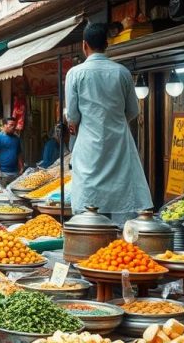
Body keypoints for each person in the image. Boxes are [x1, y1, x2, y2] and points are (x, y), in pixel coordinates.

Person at [65, 22, 152, 224]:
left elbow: (73, 116)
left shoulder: (75, 74)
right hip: (119, 145)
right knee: (121, 199)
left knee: (89, 208)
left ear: (84, 45)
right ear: (107, 44)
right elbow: (133, 110)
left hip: (88, 147)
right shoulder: (122, 72)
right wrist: (114, 122)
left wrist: (78, 123)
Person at [0, 117, 24, 186]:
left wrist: (21, 167)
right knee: (3, 194)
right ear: (4, 125)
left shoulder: (17, 138)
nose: (13, 127)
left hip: (15, 172)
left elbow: (19, 153)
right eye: (11, 125)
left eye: (14, 125)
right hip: (3, 173)